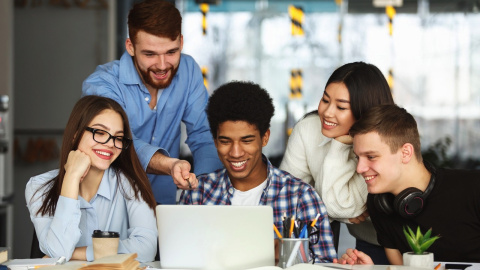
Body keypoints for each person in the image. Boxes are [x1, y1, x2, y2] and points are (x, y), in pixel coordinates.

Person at [82, 0, 222, 204]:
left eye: (171, 52)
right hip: (109, 205)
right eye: (150, 54)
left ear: (181, 43)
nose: (163, 66)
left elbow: (203, 135)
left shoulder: (189, 71)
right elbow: (116, 142)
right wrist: (169, 165)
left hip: (161, 205)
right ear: (130, 46)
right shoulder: (102, 85)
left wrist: (204, 188)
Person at [180, 81, 337, 263]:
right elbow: (180, 260)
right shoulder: (197, 194)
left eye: (246, 141)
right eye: (225, 141)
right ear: (215, 141)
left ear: (265, 138)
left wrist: (283, 258)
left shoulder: (301, 197)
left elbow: (326, 265)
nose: (235, 153)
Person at [279, 62, 394, 264]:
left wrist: (340, 145)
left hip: (392, 239)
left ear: (363, 112)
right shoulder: (307, 130)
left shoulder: (382, 141)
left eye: (341, 107)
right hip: (357, 236)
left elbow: (346, 206)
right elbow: (289, 199)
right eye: (325, 100)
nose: (327, 112)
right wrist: (340, 215)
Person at [336, 104, 480, 265]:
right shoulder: (379, 204)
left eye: (370, 157)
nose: (359, 169)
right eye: (358, 158)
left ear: (405, 153)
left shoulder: (473, 188)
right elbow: (401, 269)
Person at [25, 96, 158, 262]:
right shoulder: (39, 186)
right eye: (100, 133)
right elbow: (59, 249)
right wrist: (72, 177)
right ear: (75, 134)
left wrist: (76, 254)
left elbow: (146, 250)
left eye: (118, 137)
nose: (111, 144)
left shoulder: (131, 184)